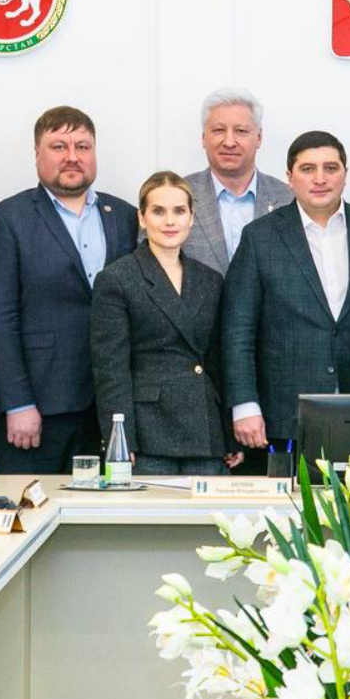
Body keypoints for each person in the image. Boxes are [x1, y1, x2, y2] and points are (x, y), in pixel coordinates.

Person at [0, 107, 138, 474]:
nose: (72, 156)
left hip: (108, 405)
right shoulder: (7, 219)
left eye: (82, 146)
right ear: (37, 153)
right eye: (58, 146)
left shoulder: (125, 216)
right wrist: (18, 402)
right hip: (40, 407)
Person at [221, 131, 350, 474]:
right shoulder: (260, 237)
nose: (320, 178)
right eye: (308, 169)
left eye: (331, 168)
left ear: (345, 173)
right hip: (285, 413)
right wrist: (244, 404)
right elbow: (238, 329)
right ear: (289, 177)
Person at [90, 172, 240, 474]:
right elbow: (111, 370)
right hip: (148, 434)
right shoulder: (117, 279)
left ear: (192, 217)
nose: (170, 221)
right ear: (142, 218)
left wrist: (228, 432)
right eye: (158, 211)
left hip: (205, 430)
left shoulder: (210, 280)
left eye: (179, 211)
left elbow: (218, 362)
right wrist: (120, 438)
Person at [183, 88, 293, 273]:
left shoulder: (289, 198)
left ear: (259, 137)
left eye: (241, 131)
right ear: (203, 138)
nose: (229, 142)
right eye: (218, 130)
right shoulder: (177, 196)